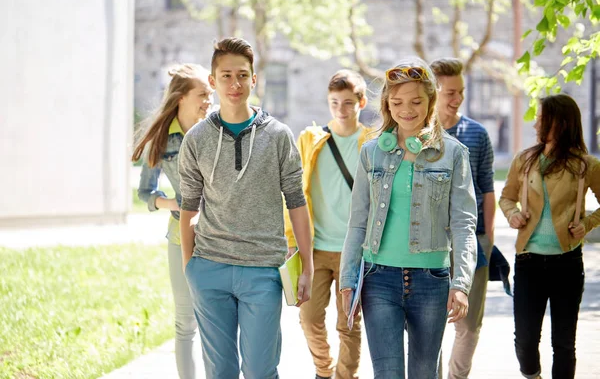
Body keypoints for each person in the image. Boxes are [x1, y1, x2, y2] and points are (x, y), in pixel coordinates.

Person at [178, 37, 314, 379]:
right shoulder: (196, 138)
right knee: (220, 371)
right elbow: (189, 206)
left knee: (260, 371)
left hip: (262, 271)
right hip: (209, 268)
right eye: (226, 76)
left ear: (255, 79)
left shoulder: (279, 135)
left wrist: (307, 267)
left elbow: (297, 203)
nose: (234, 84)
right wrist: (190, 267)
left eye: (242, 75)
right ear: (213, 81)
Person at [339, 57, 478, 379]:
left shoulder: (454, 153)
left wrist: (461, 284)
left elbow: (464, 224)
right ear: (387, 105)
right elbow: (357, 221)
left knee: (424, 374)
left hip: (431, 280)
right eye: (397, 102)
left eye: (416, 101)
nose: (407, 110)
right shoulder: (371, 152)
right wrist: (348, 282)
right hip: (378, 279)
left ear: (431, 101)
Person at [499, 94, 600, 379]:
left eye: (543, 118)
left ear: (562, 122)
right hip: (529, 262)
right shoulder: (524, 159)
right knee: (525, 341)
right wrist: (512, 214)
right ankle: (533, 375)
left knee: (564, 343)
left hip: (567, 264)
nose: (536, 123)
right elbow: (506, 198)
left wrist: (587, 224)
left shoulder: (586, 165)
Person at [284, 69, 371, 379]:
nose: (341, 110)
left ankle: (347, 376)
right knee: (308, 317)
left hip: (355, 250)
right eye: (334, 102)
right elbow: (293, 192)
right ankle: (324, 369)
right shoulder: (311, 139)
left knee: (348, 321)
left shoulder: (373, 142)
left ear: (361, 102)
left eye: (348, 103)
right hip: (315, 247)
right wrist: (292, 240)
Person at [132, 63, 213, 379]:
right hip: (181, 239)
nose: (209, 100)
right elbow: (144, 191)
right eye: (202, 94)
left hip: (221, 239)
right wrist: (173, 203)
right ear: (181, 97)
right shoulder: (163, 141)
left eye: (210, 93)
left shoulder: (217, 130)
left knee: (215, 323)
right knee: (184, 323)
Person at [430, 57, 496, 379]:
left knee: (468, 326)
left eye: (461, 92)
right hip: (429, 244)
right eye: (450, 93)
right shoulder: (418, 135)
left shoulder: (477, 134)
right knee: (429, 325)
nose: (457, 99)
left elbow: (487, 188)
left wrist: (488, 238)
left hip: (472, 239)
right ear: (434, 93)